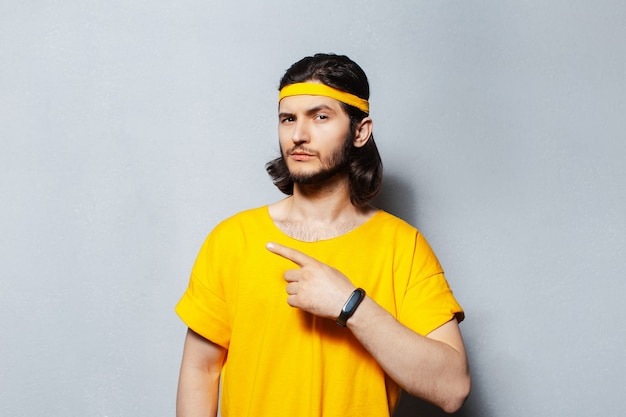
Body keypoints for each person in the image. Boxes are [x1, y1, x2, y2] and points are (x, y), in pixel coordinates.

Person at [175, 53, 470, 417]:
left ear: (360, 132)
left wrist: (351, 306)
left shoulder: (402, 246)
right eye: (288, 119)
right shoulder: (231, 239)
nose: (298, 134)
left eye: (320, 116)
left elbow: (453, 389)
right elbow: (200, 369)